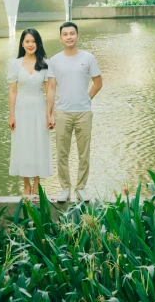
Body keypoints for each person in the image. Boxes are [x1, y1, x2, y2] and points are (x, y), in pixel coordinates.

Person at [47, 21, 102, 202]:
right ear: (61, 38)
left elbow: (98, 83)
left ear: (77, 36)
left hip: (83, 113)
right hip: (62, 112)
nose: (69, 37)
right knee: (62, 153)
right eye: (65, 34)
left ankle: (81, 188)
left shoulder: (88, 58)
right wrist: (50, 112)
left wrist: (87, 99)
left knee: (83, 153)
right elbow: (52, 88)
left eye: (72, 33)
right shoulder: (54, 61)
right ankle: (64, 188)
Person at [7, 28, 53, 199]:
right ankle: (26, 184)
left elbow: (49, 90)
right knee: (23, 144)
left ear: (38, 43)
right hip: (21, 108)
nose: (30, 44)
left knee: (39, 144)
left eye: (33, 41)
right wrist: (11, 114)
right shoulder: (15, 64)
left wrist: (50, 113)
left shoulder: (45, 63)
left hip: (39, 108)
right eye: (27, 41)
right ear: (22, 44)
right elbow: (12, 91)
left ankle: (37, 184)